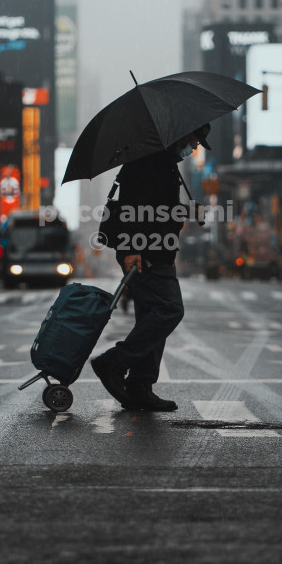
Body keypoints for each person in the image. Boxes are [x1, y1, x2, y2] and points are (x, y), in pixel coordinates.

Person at [90, 124, 211, 412]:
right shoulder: (149, 160)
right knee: (169, 309)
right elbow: (133, 206)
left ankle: (140, 385)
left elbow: (158, 209)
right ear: (180, 133)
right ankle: (113, 363)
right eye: (194, 140)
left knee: (152, 315)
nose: (193, 148)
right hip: (145, 252)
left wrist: (186, 212)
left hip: (157, 250)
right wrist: (131, 249)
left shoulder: (164, 162)